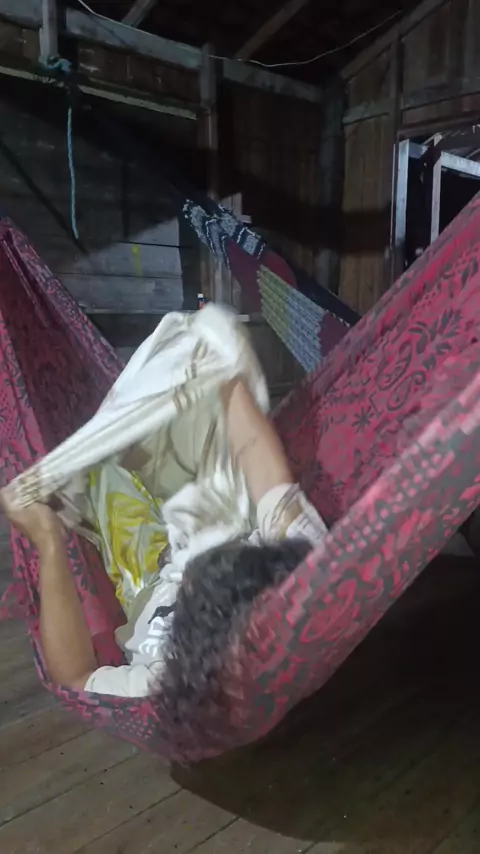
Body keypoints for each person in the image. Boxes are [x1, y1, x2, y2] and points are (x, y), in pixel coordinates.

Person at [0, 376, 328, 697]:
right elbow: (260, 461)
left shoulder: (165, 681)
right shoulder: (295, 571)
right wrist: (223, 368)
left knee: (96, 464)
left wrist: (49, 542)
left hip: (147, 578)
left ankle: (87, 403)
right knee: (174, 408)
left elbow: (74, 677)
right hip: (216, 516)